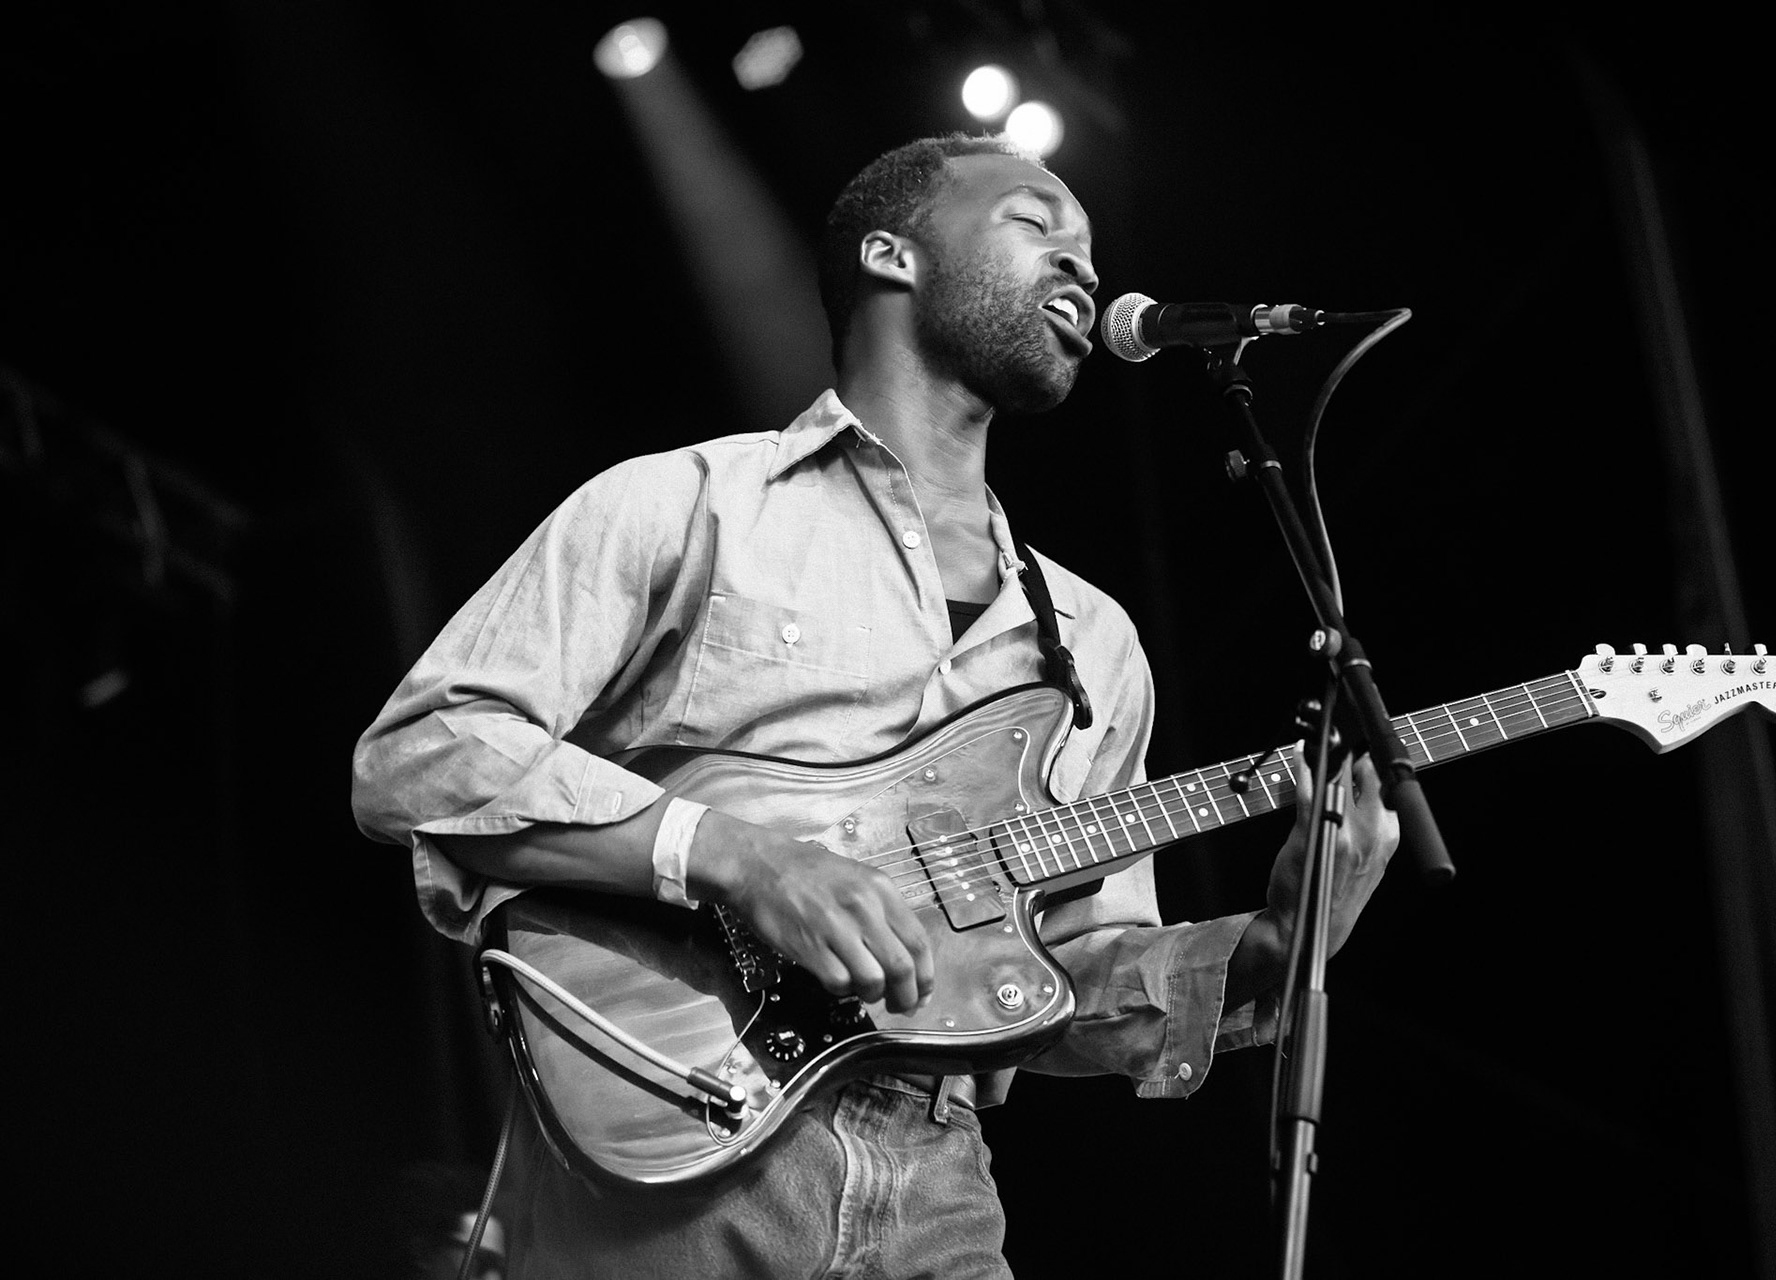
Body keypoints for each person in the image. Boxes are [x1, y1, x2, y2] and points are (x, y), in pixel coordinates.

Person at [351, 132, 1399, 1278]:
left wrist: (1272, 948)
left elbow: (1061, 973)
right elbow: (425, 751)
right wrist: (741, 859)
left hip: (938, 1182)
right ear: (892, 254)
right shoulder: (690, 504)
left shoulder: (1095, 641)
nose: (1084, 268)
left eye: (1089, 250)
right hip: (677, 1135)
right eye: (1035, 222)